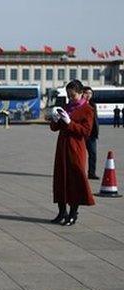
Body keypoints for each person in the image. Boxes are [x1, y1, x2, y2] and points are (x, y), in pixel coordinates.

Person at [50, 80, 95, 226]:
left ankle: (73, 213)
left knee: (75, 179)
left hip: (76, 148)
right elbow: (55, 128)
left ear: (81, 93)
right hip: (62, 146)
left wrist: (70, 123)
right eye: (68, 95)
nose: (70, 98)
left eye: (73, 95)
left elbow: (86, 131)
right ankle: (61, 211)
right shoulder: (66, 106)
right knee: (60, 178)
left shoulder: (88, 109)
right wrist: (55, 120)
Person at [83, 87, 99, 179]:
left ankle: (91, 173)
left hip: (92, 134)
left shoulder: (93, 104)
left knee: (93, 154)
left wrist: (96, 131)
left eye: (90, 93)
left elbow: (95, 119)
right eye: (86, 93)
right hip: (82, 133)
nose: (88, 95)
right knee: (81, 155)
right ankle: (79, 172)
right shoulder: (80, 104)